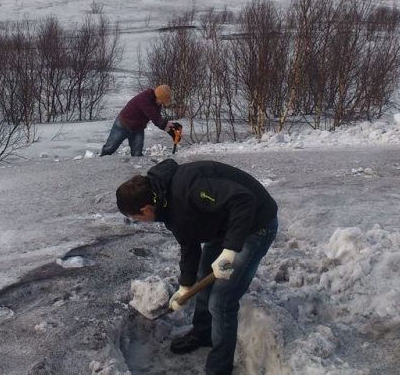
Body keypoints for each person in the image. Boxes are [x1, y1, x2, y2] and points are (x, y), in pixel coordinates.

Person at [116, 159, 279, 375]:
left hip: (255, 225)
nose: (138, 222)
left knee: (222, 301)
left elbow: (243, 200)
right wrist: (185, 287)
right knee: (204, 275)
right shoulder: (164, 203)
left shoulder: (189, 187)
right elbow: (188, 241)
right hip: (222, 224)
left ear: (145, 209)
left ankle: (219, 368)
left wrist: (230, 250)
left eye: (136, 219)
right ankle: (203, 333)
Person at [100, 84, 176, 157]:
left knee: (137, 154)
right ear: (157, 96)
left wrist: (171, 131)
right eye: (162, 100)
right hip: (123, 125)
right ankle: (100, 161)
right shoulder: (144, 98)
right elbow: (155, 117)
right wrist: (172, 125)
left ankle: (134, 166)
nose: (163, 103)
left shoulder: (157, 104)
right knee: (109, 149)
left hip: (138, 129)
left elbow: (157, 121)